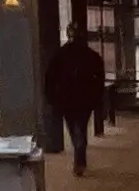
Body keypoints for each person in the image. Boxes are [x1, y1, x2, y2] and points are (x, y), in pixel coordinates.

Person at [46, 29, 109, 174]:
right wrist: (97, 98)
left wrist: (51, 97)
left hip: (66, 98)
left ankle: (79, 152)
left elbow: (50, 78)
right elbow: (100, 79)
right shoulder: (92, 55)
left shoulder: (60, 55)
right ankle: (80, 158)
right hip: (85, 98)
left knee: (73, 127)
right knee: (81, 126)